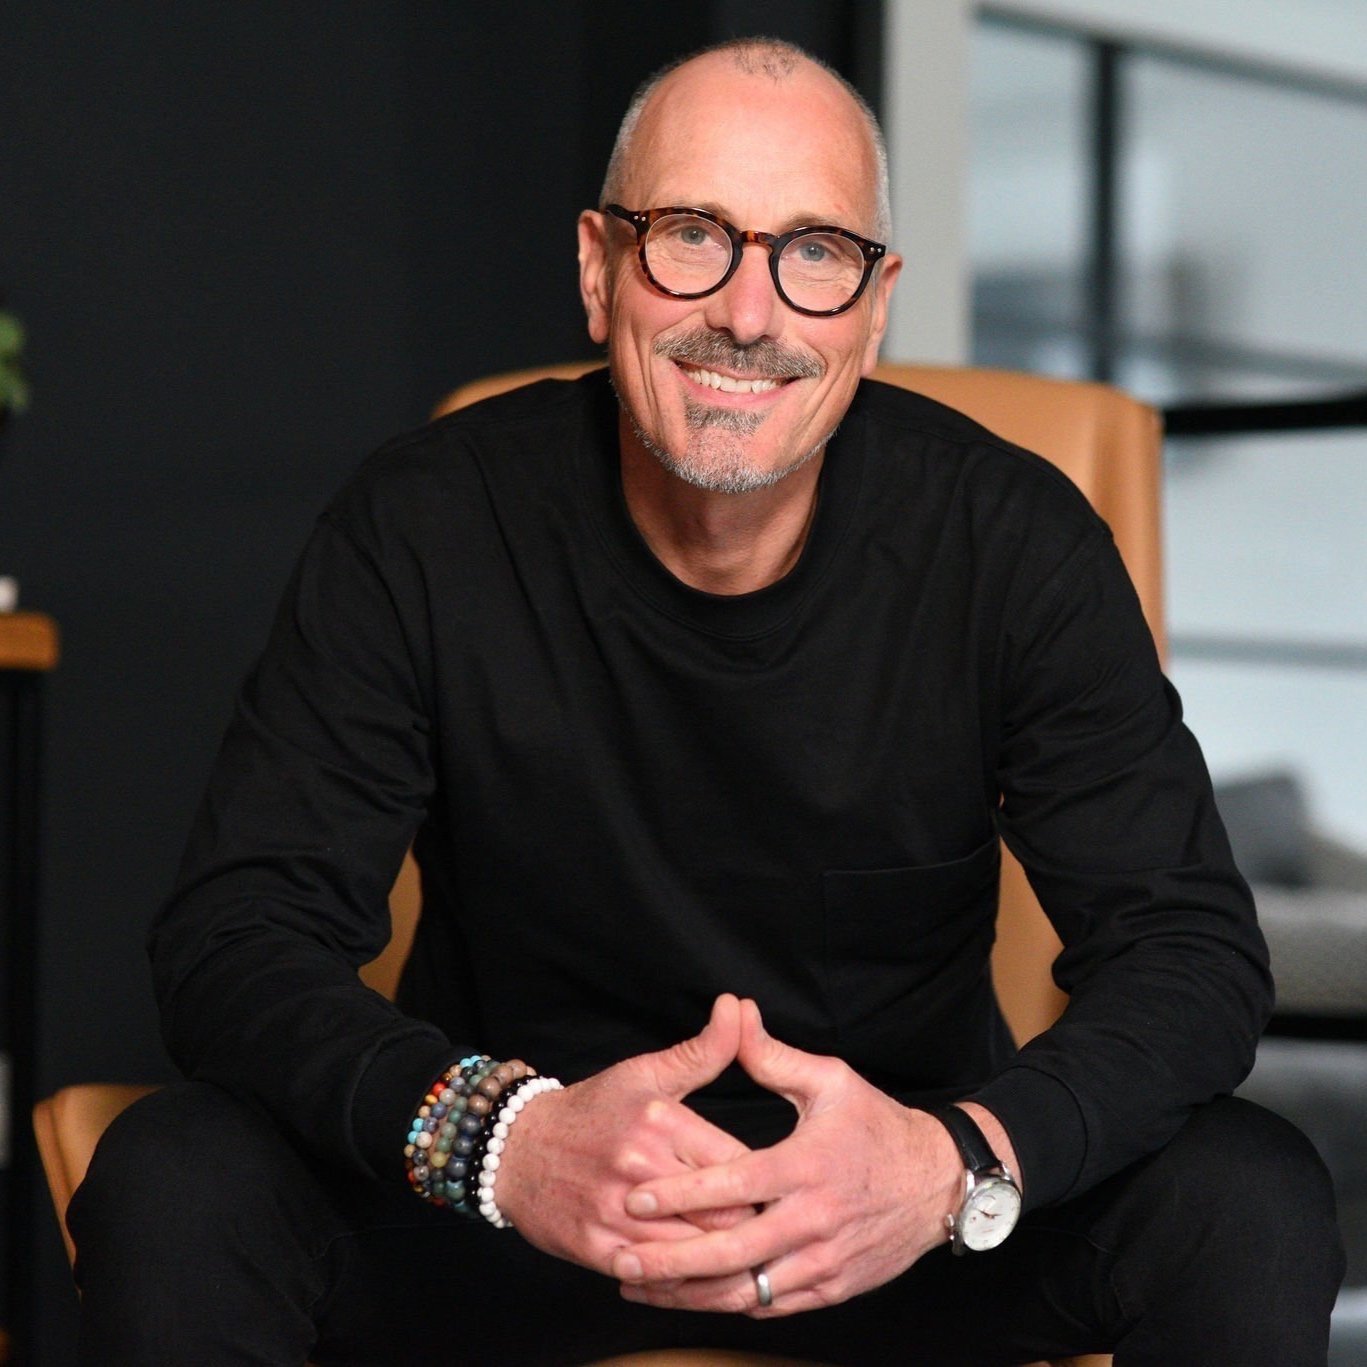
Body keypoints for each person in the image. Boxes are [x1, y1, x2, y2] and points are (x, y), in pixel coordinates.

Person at [71, 37, 1344, 1366]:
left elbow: (1189, 955)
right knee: (180, 1175)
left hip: (885, 1224)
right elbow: (235, 936)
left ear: (875, 302)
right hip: (520, 1205)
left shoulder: (1013, 541)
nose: (748, 312)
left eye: (814, 253)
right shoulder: (426, 525)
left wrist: (952, 1160)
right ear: (596, 268)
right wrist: (503, 1142)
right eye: (692, 235)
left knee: (1245, 1203)